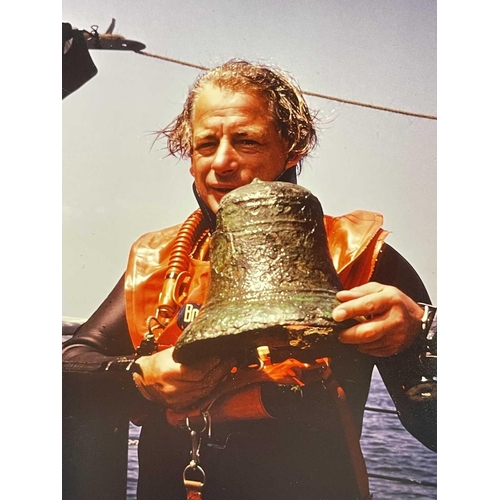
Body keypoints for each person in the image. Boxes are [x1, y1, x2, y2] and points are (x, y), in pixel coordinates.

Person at [62, 59, 436, 500]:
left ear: (292, 148)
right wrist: (137, 375)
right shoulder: (160, 261)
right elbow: (72, 362)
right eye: (205, 144)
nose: (222, 162)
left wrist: (419, 337)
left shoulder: (363, 259)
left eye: (246, 141)